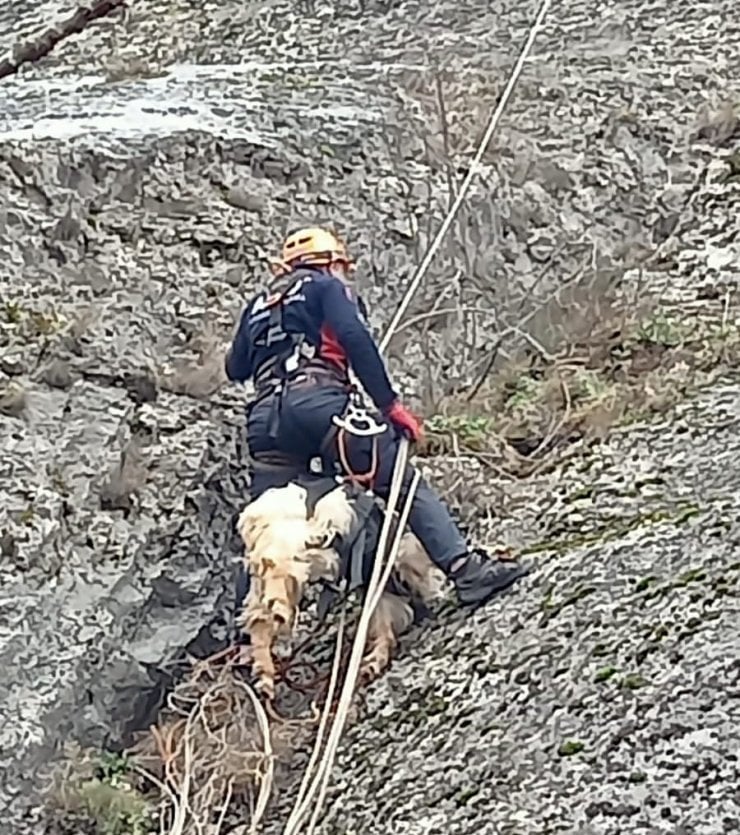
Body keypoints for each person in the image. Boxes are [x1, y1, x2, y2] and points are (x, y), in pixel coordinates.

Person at [225, 225, 528, 607]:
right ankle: (466, 572)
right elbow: (354, 336)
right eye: (342, 267)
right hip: (318, 401)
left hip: (267, 423)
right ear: (331, 262)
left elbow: (235, 368)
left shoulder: (257, 305)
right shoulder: (325, 286)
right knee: (401, 479)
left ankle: (246, 635)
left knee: (266, 531)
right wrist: (390, 406)